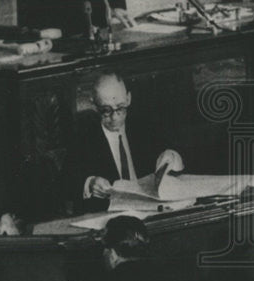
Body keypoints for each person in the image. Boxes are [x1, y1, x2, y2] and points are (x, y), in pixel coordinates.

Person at [65, 72, 184, 214]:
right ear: (94, 104)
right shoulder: (83, 137)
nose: (115, 117)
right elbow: (67, 182)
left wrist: (172, 156)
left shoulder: (145, 125)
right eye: (106, 110)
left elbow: (177, 152)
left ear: (128, 98)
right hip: (110, 216)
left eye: (120, 108)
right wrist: (90, 183)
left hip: (152, 210)